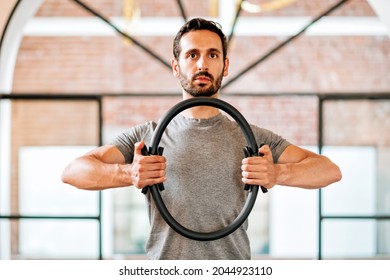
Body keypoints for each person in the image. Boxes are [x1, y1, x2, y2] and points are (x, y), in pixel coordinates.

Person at [61, 18, 342, 260]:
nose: (202, 64)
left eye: (212, 55)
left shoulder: (254, 139)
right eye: (192, 55)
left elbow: (329, 171)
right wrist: (128, 172)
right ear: (175, 66)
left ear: (225, 65)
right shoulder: (146, 137)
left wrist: (277, 172)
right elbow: (73, 172)